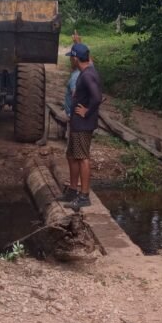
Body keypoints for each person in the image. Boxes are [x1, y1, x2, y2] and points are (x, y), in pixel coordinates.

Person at [60, 43, 102, 211]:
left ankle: (84, 196)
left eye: (72, 57)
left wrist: (87, 111)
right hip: (77, 124)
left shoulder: (86, 76)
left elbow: (97, 97)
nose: (71, 60)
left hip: (83, 124)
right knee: (71, 155)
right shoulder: (88, 69)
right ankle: (72, 190)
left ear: (76, 58)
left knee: (82, 157)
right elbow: (89, 58)